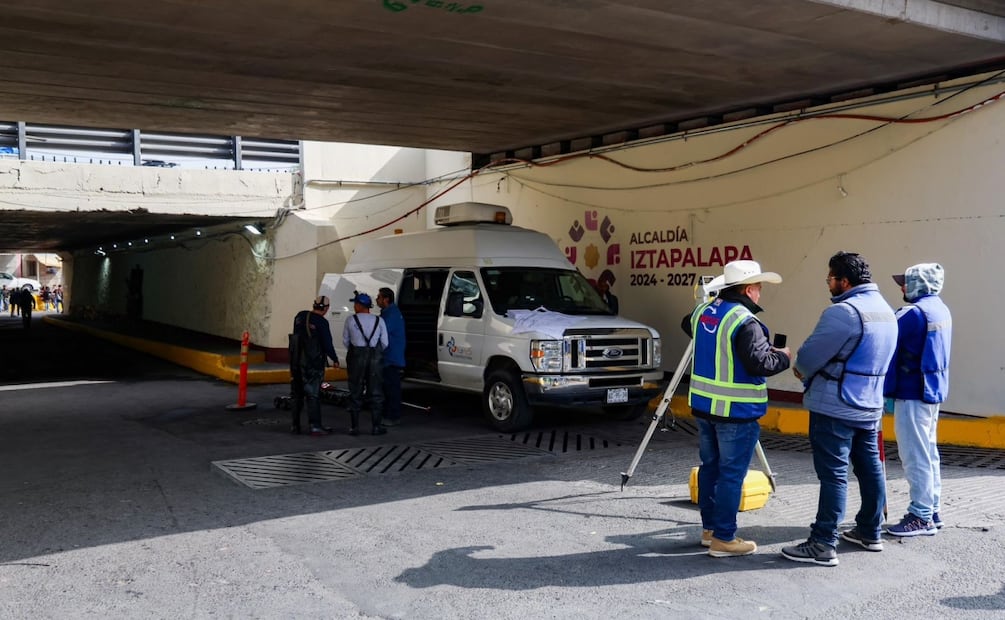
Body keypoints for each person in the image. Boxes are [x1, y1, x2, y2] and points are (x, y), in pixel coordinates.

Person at [782, 251, 897, 567]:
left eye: (830, 278)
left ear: (844, 281)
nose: (828, 284)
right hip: (870, 406)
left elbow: (807, 359)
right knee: (870, 469)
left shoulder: (843, 313)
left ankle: (822, 543)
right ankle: (870, 532)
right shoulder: (886, 311)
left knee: (833, 475)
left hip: (835, 406)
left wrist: (800, 370)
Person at [681, 259, 790, 557]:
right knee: (731, 475)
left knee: (710, 469)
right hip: (736, 413)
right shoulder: (745, 321)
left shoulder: (703, 312)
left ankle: (710, 531)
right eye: (759, 287)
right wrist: (783, 355)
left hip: (704, 408)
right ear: (748, 289)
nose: (760, 293)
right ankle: (724, 538)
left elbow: (688, 325)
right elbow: (760, 363)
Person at [885, 263, 952, 536]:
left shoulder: (912, 313)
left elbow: (884, 338)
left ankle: (920, 516)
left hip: (912, 392)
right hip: (931, 391)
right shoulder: (940, 309)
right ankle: (932, 509)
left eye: (906, 282)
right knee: (929, 452)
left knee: (915, 455)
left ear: (919, 284)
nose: (902, 287)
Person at [289, 296, 341, 436]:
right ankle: (315, 426)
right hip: (313, 362)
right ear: (326, 308)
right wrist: (335, 359)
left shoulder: (300, 316)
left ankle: (295, 425)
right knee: (313, 394)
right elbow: (327, 343)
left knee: (297, 394)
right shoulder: (322, 322)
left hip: (296, 361)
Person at [343, 291, 388, 435]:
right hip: (375, 359)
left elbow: (346, 341)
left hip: (356, 358)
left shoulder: (350, 320)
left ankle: (355, 427)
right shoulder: (379, 320)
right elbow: (385, 343)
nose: (354, 306)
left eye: (355, 303)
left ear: (359, 305)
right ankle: (376, 426)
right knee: (376, 393)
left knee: (355, 391)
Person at [376, 287, 406, 426]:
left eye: (379, 297)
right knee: (388, 387)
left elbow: (380, 332)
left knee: (391, 389)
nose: (377, 300)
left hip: (391, 357)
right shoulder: (389, 313)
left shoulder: (391, 315)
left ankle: (392, 416)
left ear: (386, 299)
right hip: (390, 356)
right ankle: (388, 414)